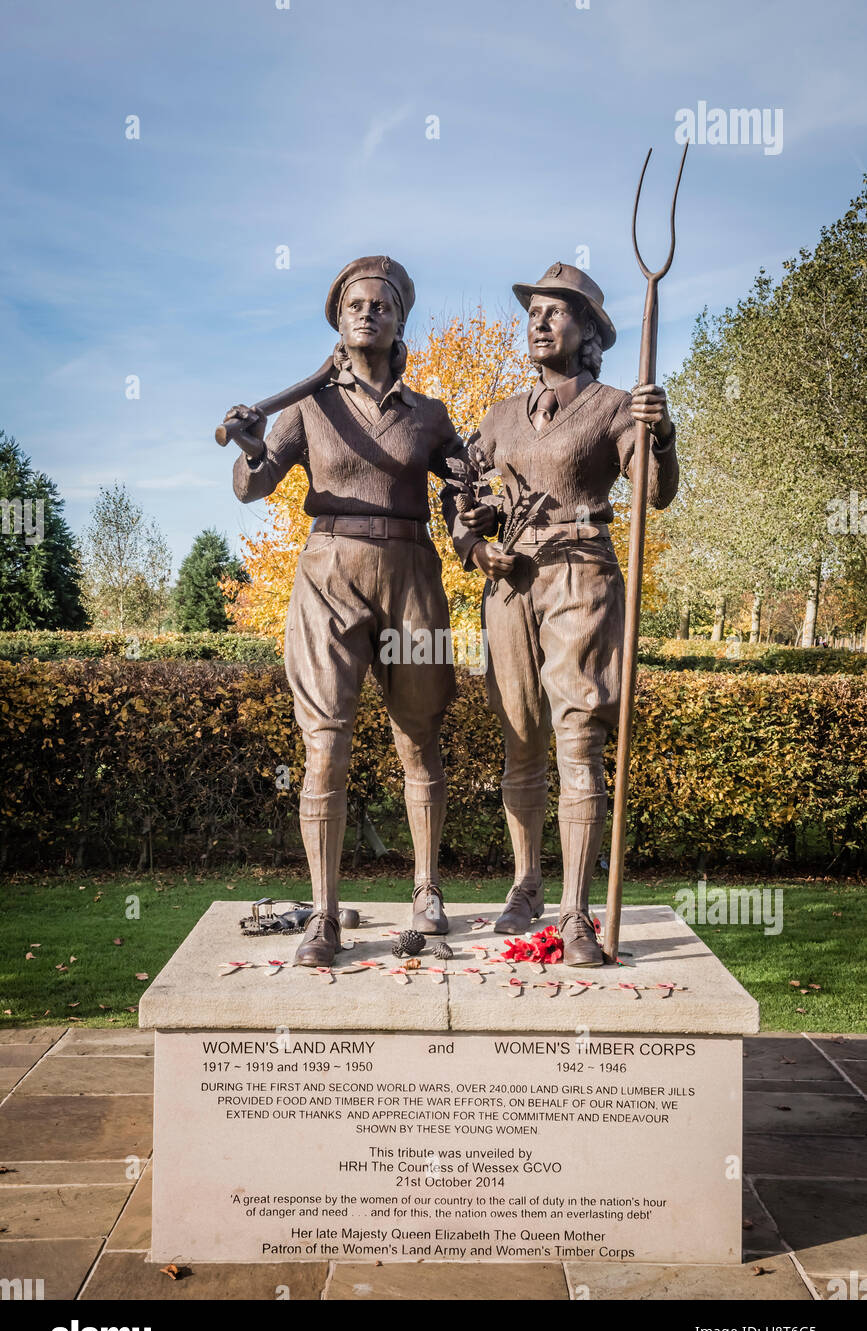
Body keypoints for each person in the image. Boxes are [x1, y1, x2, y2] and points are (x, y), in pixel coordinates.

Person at [227, 256, 466, 966]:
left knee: (418, 735)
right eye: (354, 303)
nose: (367, 312)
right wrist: (247, 445)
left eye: (381, 304)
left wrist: (473, 528)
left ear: (399, 319)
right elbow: (255, 485)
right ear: (338, 318)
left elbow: (462, 491)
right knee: (324, 743)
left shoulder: (429, 414)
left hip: (411, 575)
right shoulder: (307, 408)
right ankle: (324, 913)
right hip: (328, 576)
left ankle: (426, 888)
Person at [444, 262, 679, 966]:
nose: (538, 322)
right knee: (520, 738)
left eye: (555, 313)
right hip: (509, 587)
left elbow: (655, 495)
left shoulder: (613, 407)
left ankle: (576, 913)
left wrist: (659, 435)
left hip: (580, 575)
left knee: (577, 741)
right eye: (533, 312)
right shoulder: (497, 415)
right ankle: (525, 886)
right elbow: (461, 496)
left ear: (588, 334)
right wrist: (472, 544)